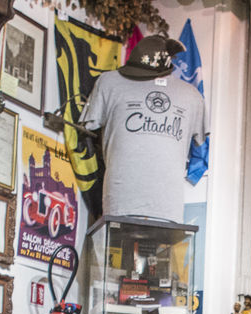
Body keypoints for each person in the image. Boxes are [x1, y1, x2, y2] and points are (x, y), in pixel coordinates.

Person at [80, 35, 207, 223]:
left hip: (167, 208)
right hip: (120, 202)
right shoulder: (108, 83)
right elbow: (87, 129)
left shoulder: (192, 96)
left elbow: (201, 145)